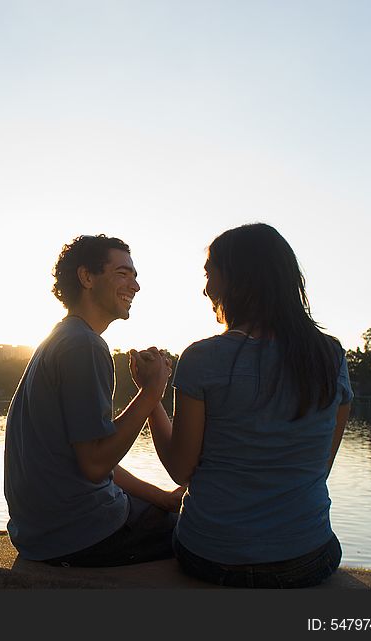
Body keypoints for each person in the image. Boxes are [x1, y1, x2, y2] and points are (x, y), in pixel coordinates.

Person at [146, 223, 351, 587]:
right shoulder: (329, 355)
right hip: (307, 557)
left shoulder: (202, 358)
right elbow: (319, 466)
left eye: (210, 273)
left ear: (237, 279)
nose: (205, 288)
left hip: (210, 556)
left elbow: (180, 470)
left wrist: (151, 395)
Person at [4, 234, 182, 567]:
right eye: (123, 273)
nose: (136, 286)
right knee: (204, 537)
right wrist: (153, 390)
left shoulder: (61, 339)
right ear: (87, 277)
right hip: (81, 534)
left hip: (38, 534)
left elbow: (88, 457)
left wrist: (163, 499)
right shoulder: (84, 346)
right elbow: (96, 464)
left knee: (165, 511)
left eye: (135, 275)